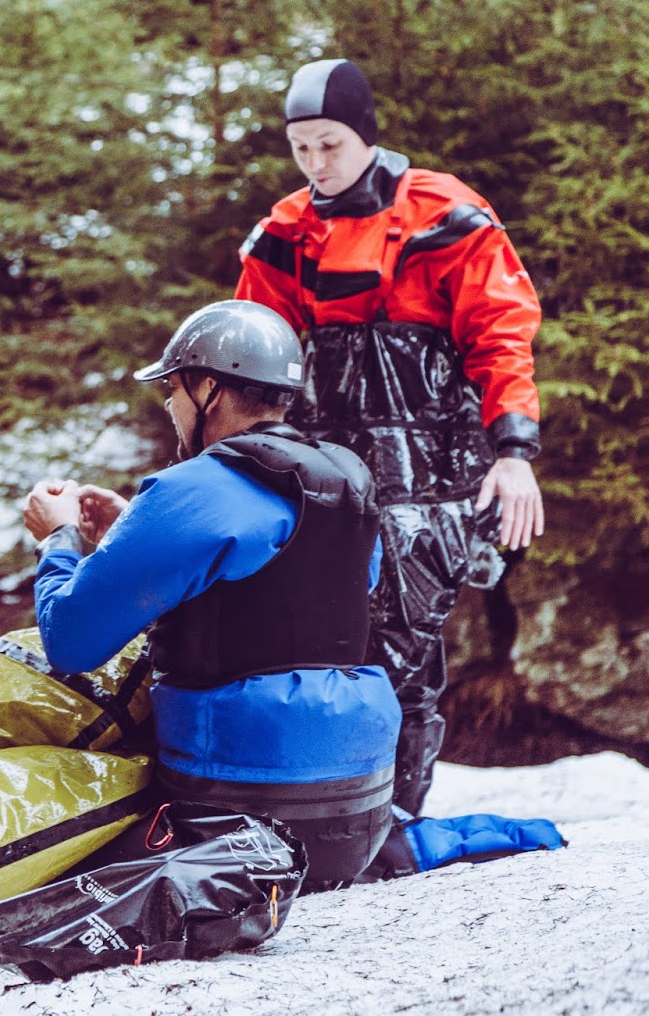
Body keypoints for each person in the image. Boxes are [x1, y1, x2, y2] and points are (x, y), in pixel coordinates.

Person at [234, 57, 546, 814]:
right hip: (328, 470)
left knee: (406, 644)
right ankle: (334, 811)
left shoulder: (448, 214)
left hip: (435, 473)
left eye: (329, 144)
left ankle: (395, 815)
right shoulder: (283, 233)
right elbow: (248, 358)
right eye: (301, 146)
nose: (315, 163)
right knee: (324, 640)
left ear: (365, 135)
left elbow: (502, 337)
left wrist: (514, 455)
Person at [23, 299, 401, 889]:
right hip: (359, 813)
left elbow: (69, 640)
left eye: (172, 390)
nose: (171, 407)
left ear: (207, 389)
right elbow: (300, 590)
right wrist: (137, 536)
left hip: (240, 813)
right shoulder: (345, 476)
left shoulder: (191, 488)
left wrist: (59, 540)